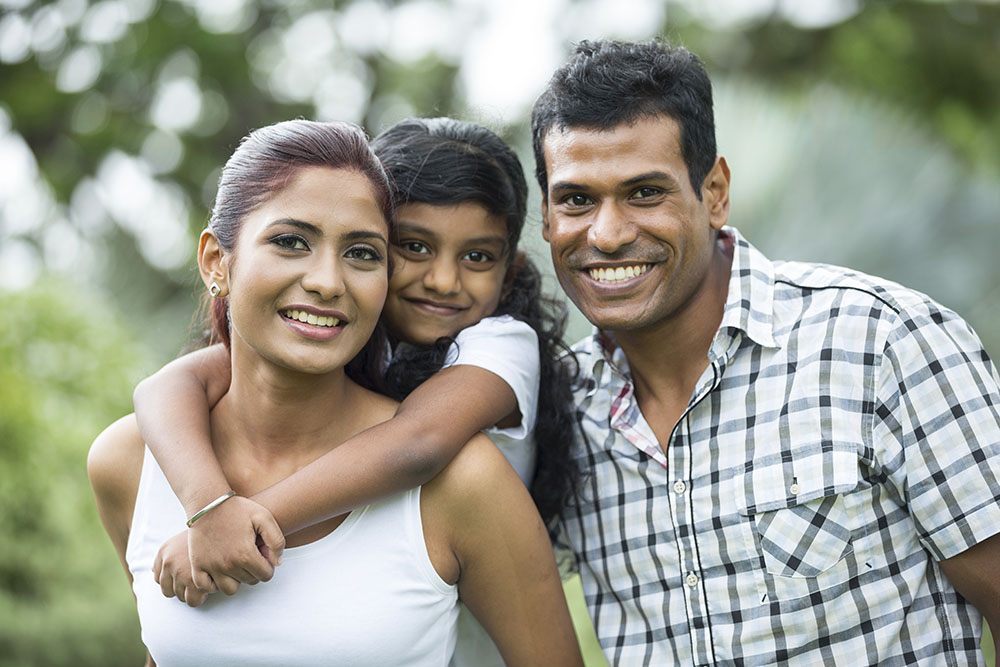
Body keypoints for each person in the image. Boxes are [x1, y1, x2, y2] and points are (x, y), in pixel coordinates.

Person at [531, 39, 1000, 665]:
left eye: (644, 193)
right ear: (546, 215)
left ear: (715, 191)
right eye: (577, 200)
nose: (608, 234)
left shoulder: (881, 344)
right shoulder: (559, 408)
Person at [88, 119, 581, 666]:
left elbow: (417, 441)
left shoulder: (491, 363)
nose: (327, 281)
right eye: (291, 241)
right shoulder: (130, 459)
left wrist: (240, 521)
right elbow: (172, 382)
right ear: (216, 262)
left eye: (361, 252)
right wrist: (208, 504)